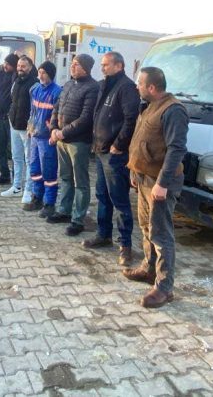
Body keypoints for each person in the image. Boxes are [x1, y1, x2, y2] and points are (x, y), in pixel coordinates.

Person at [123, 67, 189, 309]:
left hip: (160, 183)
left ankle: (164, 287)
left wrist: (161, 183)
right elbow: (141, 139)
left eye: (140, 83)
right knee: (145, 226)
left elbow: (176, 150)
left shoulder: (173, 110)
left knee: (161, 234)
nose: (137, 86)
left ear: (152, 87)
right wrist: (135, 170)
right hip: (143, 178)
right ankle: (149, 269)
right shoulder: (149, 105)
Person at [86, 52, 141, 267]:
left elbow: (131, 120)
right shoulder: (105, 85)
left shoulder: (126, 88)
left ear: (119, 65)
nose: (103, 68)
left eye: (106, 65)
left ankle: (125, 245)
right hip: (101, 151)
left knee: (119, 199)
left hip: (114, 154)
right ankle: (103, 234)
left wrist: (119, 144)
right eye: (102, 65)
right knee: (102, 195)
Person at [48, 54, 99, 236]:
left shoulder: (93, 88)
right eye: (72, 64)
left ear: (86, 67)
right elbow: (57, 107)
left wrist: (63, 132)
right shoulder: (68, 84)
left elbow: (85, 118)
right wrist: (54, 128)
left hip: (78, 142)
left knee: (80, 182)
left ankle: (78, 219)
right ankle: (64, 210)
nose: (72, 67)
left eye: (76, 64)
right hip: (61, 140)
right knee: (66, 177)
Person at [25, 61, 61, 214]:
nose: (40, 75)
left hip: (47, 138)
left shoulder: (57, 92)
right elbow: (33, 111)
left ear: (50, 74)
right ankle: (37, 197)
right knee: (34, 169)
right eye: (39, 72)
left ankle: (49, 203)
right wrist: (29, 127)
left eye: (44, 72)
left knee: (49, 171)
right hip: (35, 136)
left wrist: (53, 131)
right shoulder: (35, 89)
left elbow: (58, 115)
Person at [3, 55, 38, 197]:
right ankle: (17, 186)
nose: (20, 69)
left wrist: (31, 124)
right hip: (14, 124)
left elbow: (36, 108)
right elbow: (13, 101)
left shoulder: (35, 83)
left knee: (29, 159)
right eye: (18, 66)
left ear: (30, 67)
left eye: (23, 66)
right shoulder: (16, 81)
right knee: (16, 157)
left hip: (26, 128)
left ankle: (28, 190)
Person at [0, 54, 18, 184]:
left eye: (9, 64)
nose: (6, 66)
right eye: (5, 63)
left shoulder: (16, 77)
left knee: (13, 150)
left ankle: (16, 178)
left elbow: (31, 71)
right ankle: (4, 175)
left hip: (10, 119)